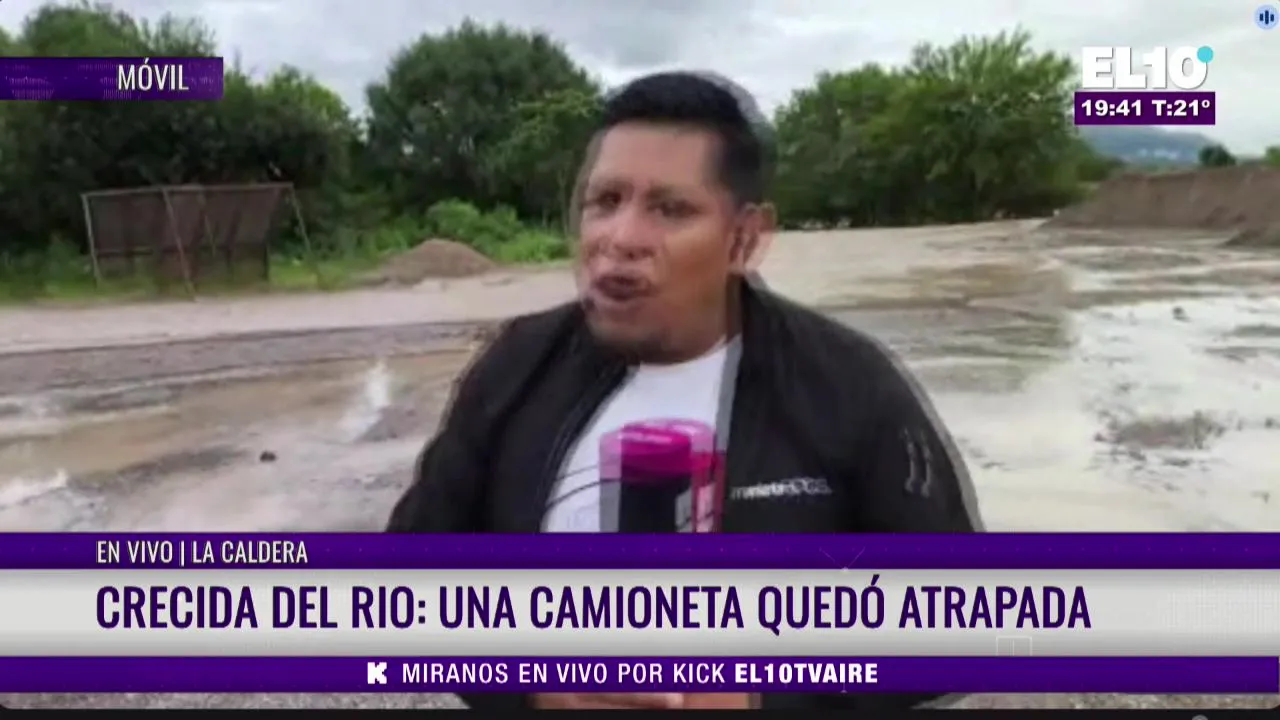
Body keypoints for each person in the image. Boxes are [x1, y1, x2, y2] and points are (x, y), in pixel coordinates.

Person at [387, 70, 983, 712]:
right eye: (605, 200)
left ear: (744, 238)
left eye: (670, 209)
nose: (620, 239)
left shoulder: (846, 385)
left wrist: (757, 696)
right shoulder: (518, 365)